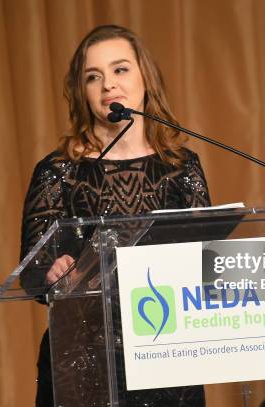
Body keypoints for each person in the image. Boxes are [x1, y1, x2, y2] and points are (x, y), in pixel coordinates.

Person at [20, 25, 211, 407]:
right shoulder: (59, 171)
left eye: (120, 70)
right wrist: (53, 271)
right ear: (82, 91)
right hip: (84, 363)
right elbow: (32, 269)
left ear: (144, 78)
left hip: (170, 360)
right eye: (94, 76)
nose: (108, 85)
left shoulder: (181, 167)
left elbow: (206, 260)